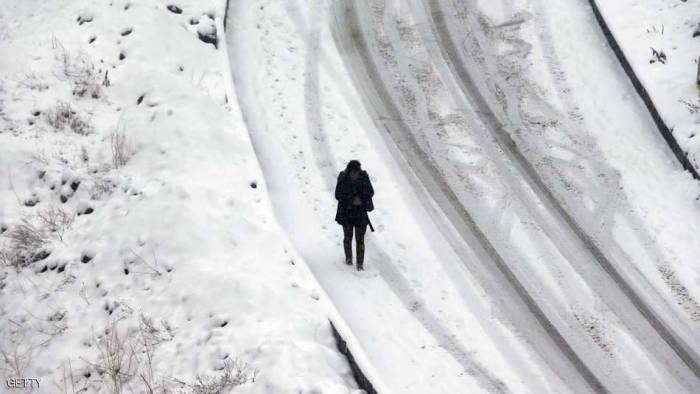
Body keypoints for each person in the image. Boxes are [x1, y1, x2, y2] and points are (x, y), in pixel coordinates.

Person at [335, 160, 374, 271]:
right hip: (346, 212)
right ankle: (348, 259)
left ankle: (360, 264)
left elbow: (371, 192)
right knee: (348, 237)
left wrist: (361, 199)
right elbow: (337, 194)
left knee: (360, 239)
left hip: (360, 213)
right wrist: (351, 199)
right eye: (352, 172)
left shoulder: (364, 178)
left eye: (356, 172)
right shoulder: (343, 179)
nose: (354, 175)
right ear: (349, 171)